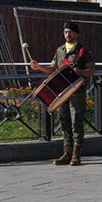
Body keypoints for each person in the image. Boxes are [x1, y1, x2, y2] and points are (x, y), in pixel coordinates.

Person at [30, 21, 95, 166]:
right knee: (64, 121)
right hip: (61, 91)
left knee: (76, 122)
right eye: (66, 32)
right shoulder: (60, 50)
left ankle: (76, 154)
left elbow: (91, 71)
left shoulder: (83, 51)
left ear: (76, 34)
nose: (68, 35)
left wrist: (80, 72)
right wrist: (39, 67)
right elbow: (54, 69)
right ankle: (67, 152)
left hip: (76, 91)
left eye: (70, 32)